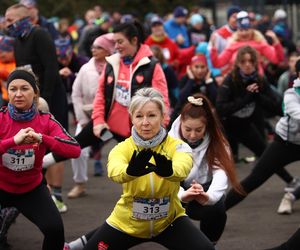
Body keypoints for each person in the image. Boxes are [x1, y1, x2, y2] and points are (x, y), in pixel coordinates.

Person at [64, 87, 215, 250]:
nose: (145, 123)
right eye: (139, 116)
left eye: (151, 115)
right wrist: (129, 172)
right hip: (126, 223)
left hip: (169, 222)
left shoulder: (179, 146)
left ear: (163, 116)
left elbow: (183, 167)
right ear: (132, 118)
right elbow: (114, 171)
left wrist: (169, 172)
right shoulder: (122, 148)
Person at [43, 21, 170, 176]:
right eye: (114, 42)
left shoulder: (151, 66)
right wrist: (98, 121)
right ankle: (38, 165)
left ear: (134, 40)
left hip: (134, 132)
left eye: (120, 41)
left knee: (144, 171)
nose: (116, 46)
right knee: (73, 145)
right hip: (106, 126)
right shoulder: (113, 62)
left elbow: (163, 102)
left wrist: (157, 131)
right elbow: (100, 95)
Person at [0, 68, 80, 250]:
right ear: (7, 92)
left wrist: (43, 138)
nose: (18, 94)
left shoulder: (46, 121)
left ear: (35, 93)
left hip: (31, 189)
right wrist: (12, 141)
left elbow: (74, 149)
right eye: (13, 89)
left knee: (55, 231)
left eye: (24, 88)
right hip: (1, 186)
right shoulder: (1, 118)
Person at [5, 4, 69, 212]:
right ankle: (41, 190)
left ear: (25, 19)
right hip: (30, 98)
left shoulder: (39, 35)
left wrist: (43, 101)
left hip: (49, 97)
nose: (7, 24)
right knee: (31, 143)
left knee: (54, 143)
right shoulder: (18, 40)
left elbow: (51, 68)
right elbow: (20, 71)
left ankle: (57, 195)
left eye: (10, 20)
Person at [225, 58, 300, 211]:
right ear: (298, 75)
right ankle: (216, 212)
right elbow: (297, 114)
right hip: (285, 145)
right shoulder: (291, 94)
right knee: (253, 180)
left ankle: (292, 196)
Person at [216, 45, 295, 188]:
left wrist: (258, 96)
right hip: (225, 126)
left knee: (267, 155)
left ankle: (290, 181)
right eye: (244, 62)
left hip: (244, 125)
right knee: (219, 162)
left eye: (251, 61)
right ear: (238, 63)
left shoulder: (259, 79)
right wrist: (247, 98)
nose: (247, 65)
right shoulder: (231, 80)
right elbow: (221, 109)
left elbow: (276, 106)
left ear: (255, 63)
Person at [168, 93, 243, 244]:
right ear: (180, 122)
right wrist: (183, 194)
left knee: (218, 209)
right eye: (187, 129)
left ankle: (209, 245)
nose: (193, 135)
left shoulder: (218, 141)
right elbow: (165, 177)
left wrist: (208, 197)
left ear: (206, 126)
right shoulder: (168, 141)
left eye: (198, 130)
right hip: (176, 191)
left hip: (202, 192)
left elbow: (221, 173)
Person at [68, 33, 115, 198]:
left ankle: (137, 189)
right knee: (77, 150)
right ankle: (79, 184)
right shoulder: (85, 68)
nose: (94, 50)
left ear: (108, 50)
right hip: (88, 117)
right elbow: (76, 93)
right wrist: (81, 117)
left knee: (128, 149)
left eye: (99, 47)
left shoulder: (116, 67)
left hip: (112, 119)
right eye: (93, 47)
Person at [210, 11, 284, 76]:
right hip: (236, 82)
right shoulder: (232, 45)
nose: (244, 33)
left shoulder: (260, 43)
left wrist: (276, 41)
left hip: (257, 81)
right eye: (241, 30)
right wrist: (213, 47)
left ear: (252, 29)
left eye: (246, 29)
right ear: (237, 31)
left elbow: (278, 59)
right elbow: (217, 63)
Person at [170, 54, 218, 125]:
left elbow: (216, 98)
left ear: (207, 68)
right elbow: (181, 98)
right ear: (191, 68)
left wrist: (208, 82)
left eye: (202, 67)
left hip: (204, 116)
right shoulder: (186, 79)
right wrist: (191, 80)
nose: (200, 70)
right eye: (196, 67)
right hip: (185, 116)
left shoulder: (210, 79)